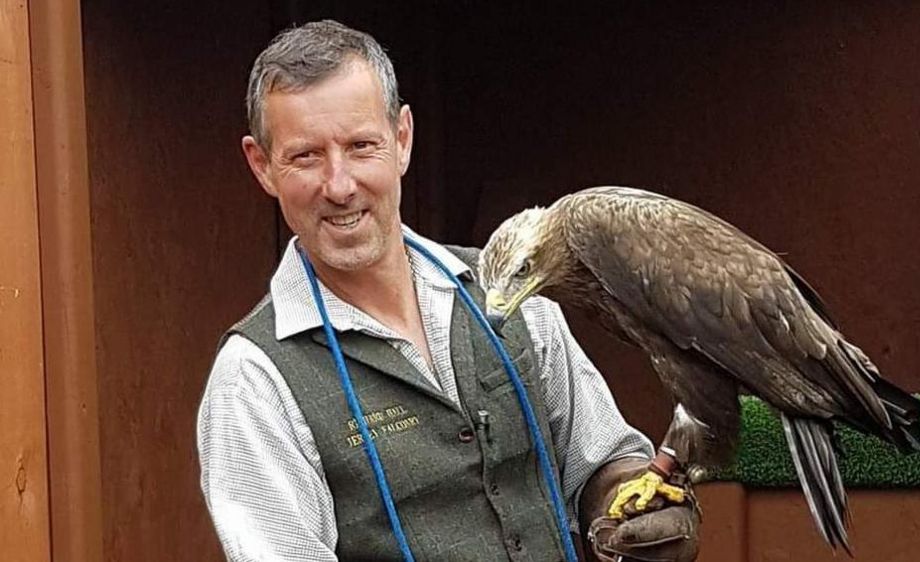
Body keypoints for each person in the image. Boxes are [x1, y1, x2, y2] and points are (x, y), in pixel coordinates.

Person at [197, 19, 700, 562]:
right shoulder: (253, 380)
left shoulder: (512, 291)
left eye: (362, 146)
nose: (339, 186)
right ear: (262, 165)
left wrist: (628, 506)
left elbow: (602, 461)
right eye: (306, 157)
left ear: (402, 139)